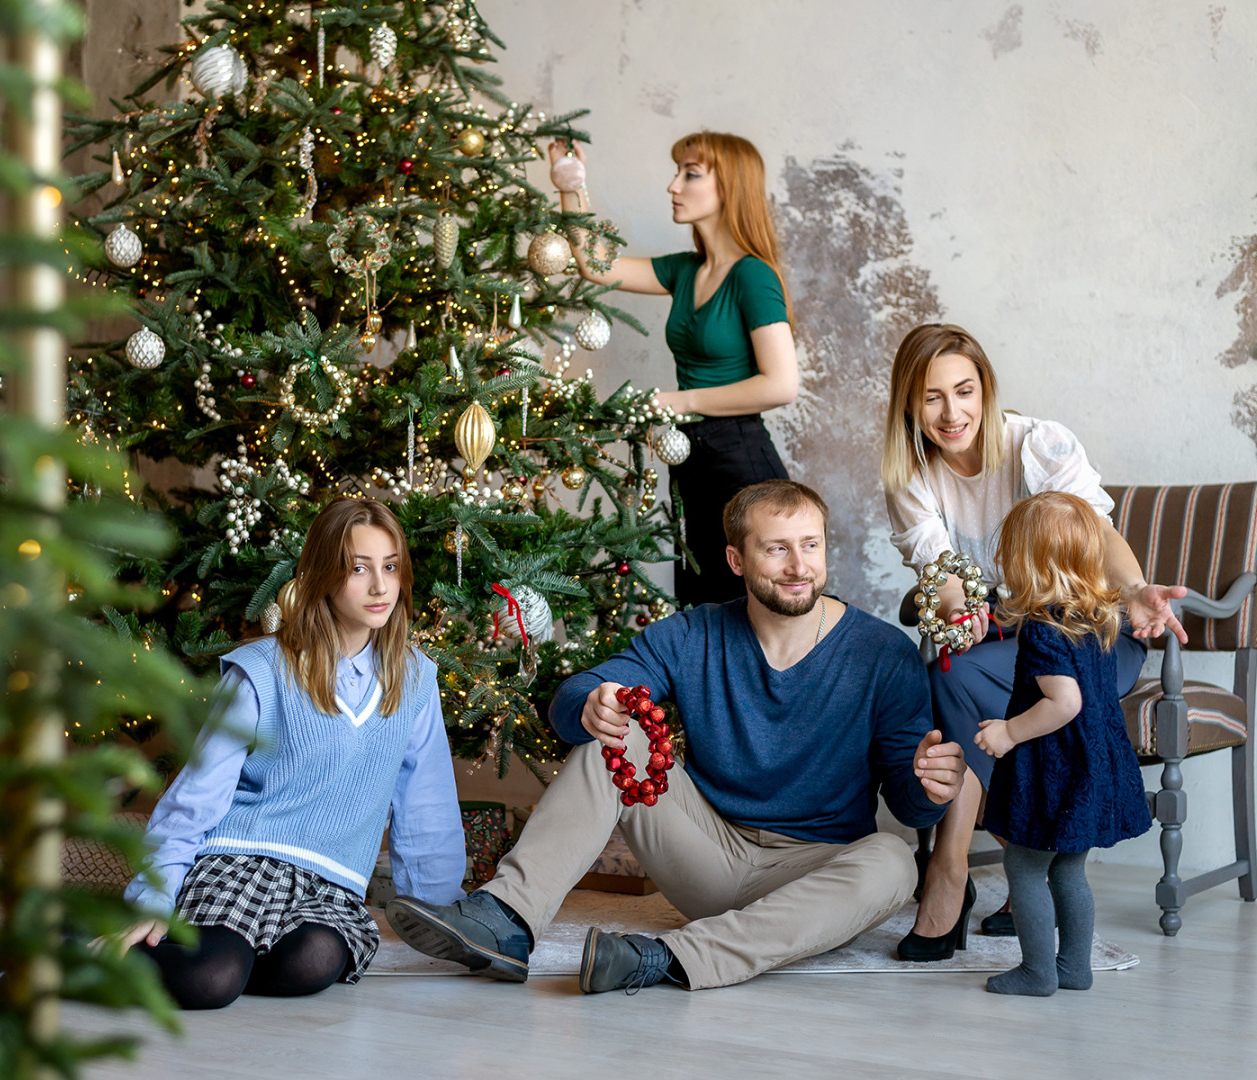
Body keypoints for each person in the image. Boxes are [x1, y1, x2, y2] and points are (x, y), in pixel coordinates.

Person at [385, 479, 966, 993]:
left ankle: (667, 960)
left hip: (813, 873)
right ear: (737, 560)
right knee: (616, 728)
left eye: (810, 546)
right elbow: (578, 692)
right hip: (707, 853)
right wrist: (590, 704)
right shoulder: (695, 634)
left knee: (893, 861)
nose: (798, 566)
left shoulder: (882, 654)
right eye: (777, 548)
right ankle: (506, 919)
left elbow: (909, 806)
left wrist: (930, 788)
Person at [881, 323, 1185, 961]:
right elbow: (945, 582)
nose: (952, 412)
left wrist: (1132, 589)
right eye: (931, 397)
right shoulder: (913, 479)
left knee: (956, 678)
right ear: (909, 404)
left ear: (986, 389)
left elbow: (1093, 534)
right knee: (949, 666)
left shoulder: (1035, 445)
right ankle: (995, 869)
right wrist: (956, 615)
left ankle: (950, 870)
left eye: (964, 391)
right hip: (1006, 640)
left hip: (1084, 637)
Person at [106, 497, 465, 1009]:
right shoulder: (262, 670)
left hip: (332, 888)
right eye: (358, 569)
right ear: (322, 574)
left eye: (389, 567)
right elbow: (196, 798)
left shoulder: (415, 679)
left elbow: (426, 805)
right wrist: (154, 899)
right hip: (244, 864)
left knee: (313, 961)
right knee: (210, 980)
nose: (381, 587)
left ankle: (212, 957)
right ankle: (76, 959)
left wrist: (441, 917)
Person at [549, 131, 798, 607]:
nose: (673, 186)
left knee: (752, 608)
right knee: (701, 603)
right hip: (691, 459)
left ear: (730, 187)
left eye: (690, 174)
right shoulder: (687, 270)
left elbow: (782, 383)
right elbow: (595, 265)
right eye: (676, 172)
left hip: (740, 460)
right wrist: (569, 184)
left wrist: (679, 402)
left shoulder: (753, 275)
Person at [974, 492, 1154, 995]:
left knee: (1024, 865)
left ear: (1030, 561)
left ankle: (1037, 972)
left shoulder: (1042, 629)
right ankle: (1075, 967)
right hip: (1093, 761)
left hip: (1057, 767)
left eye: (1009, 550)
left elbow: (1064, 702)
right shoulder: (1095, 618)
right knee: (1069, 869)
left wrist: (1007, 732)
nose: (1002, 560)